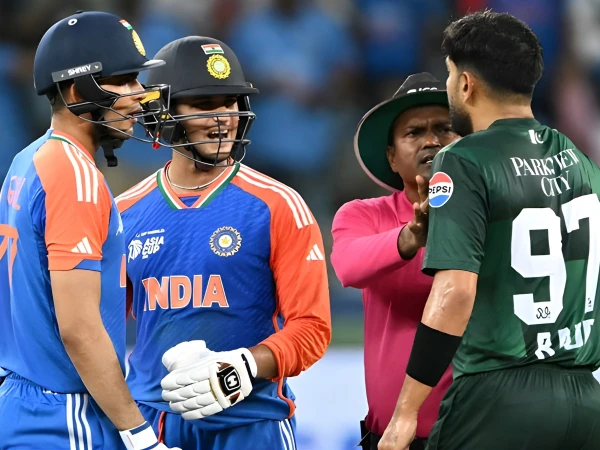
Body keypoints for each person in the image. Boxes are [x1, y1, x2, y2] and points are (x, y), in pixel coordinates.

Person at [379, 10, 600, 450]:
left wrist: (405, 413)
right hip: (584, 400)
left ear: (466, 84)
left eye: (448, 75)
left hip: (499, 398)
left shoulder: (463, 160)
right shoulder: (579, 160)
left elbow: (455, 292)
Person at [116, 36, 332, 450]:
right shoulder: (124, 213)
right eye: (203, 105)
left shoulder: (279, 205)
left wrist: (242, 366)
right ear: (163, 114)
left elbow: (312, 329)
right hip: (154, 426)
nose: (223, 118)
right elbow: (98, 330)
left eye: (230, 102)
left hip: (251, 423)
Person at [0, 11, 180, 450]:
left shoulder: (27, 159)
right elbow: (79, 329)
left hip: (22, 400)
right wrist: (140, 435)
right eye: (123, 80)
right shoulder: (74, 175)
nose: (139, 95)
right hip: (64, 415)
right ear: (78, 91)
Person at [330, 73, 459, 450]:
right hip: (392, 438)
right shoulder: (363, 214)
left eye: (444, 129)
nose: (431, 141)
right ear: (391, 156)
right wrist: (410, 237)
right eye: (414, 132)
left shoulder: (495, 213)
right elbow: (348, 267)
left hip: (478, 434)